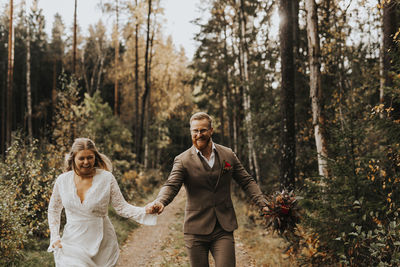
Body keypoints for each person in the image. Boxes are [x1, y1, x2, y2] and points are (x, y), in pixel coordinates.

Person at [146, 112, 268, 267]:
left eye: (203, 130)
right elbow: (171, 185)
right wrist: (160, 201)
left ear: (211, 130)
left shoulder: (228, 155)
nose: (199, 134)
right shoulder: (182, 160)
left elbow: (247, 181)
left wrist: (263, 203)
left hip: (223, 227)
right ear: (190, 132)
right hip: (195, 230)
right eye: (195, 131)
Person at [47, 138, 157, 267]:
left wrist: (145, 210)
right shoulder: (62, 180)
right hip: (72, 243)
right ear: (73, 158)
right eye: (81, 158)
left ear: (96, 157)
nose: (86, 162)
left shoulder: (106, 178)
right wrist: (55, 237)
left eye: (90, 157)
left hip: (102, 242)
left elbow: (121, 207)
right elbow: (54, 209)